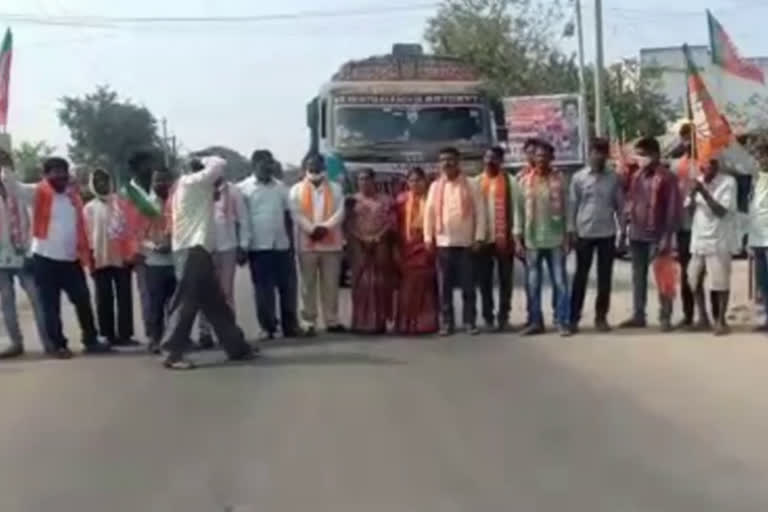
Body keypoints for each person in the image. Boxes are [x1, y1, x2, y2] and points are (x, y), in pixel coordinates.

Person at [2, 157, 111, 358]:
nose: (61, 176)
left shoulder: (72, 195)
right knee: (50, 306)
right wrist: (6, 167)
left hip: (71, 260)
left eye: (64, 171)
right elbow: (14, 187)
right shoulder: (37, 192)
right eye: (55, 172)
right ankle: (58, 345)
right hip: (45, 259)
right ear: (45, 175)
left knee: (83, 301)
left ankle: (91, 340)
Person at [161, 155, 255, 370]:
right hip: (193, 250)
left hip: (199, 250)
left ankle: (237, 347)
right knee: (186, 302)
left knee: (216, 303)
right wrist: (205, 158)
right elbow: (220, 163)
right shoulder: (190, 182)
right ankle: (172, 352)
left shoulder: (191, 187)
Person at [620, 137, 681, 332]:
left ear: (655, 154)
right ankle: (639, 315)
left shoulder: (667, 177)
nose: (639, 158)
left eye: (643, 154)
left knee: (664, 278)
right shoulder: (637, 175)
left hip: (658, 235)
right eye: (638, 154)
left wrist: (667, 237)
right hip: (637, 233)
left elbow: (673, 210)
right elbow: (631, 202)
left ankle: (665, 316)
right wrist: (625, 229)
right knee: (638, 276)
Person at [424, 147, 485, 336]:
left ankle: (469, 322)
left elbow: (480, 212)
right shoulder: (435, 186)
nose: (446, 163)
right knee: (445, 288)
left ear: (458, 161)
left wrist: (479, 237)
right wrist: (428, 237)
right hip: (443, 244)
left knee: (468, 286)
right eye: (443, 160)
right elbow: (429, 213)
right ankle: (447, 323)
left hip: (466, 243)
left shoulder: (471, 184)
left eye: (450, 159)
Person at [239, 150, 300, 340]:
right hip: (258, 247)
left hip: (282, 246)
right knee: (263, 291)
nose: (268, 167)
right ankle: (268, 327)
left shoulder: (281, 188)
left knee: (288, 288)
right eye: (264, 164)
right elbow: (241, 220)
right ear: (254, 165)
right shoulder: (242, 189)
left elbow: (288, 216)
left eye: (270, 163)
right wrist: (242, 247)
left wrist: (291, 244)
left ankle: (290, 326)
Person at [514, 140, 572, 336]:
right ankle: (535, 322)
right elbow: (518, 213)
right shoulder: (523, 181)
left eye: (545, 156)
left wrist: (568, 235)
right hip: (532, 241)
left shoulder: (560, 180)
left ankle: (561, 321)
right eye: (538, 156)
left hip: (555, 239)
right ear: (533, 158)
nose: (541, 160)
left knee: (560, 283)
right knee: (533, 284)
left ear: (551, 159)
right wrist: (517, 239)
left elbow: (568, 209)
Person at [0, 140, 52, 358]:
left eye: (5, 163)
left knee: (37, 300)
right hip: (2, 259)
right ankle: (16, 343)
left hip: (25, 255)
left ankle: (49, 342)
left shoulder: (24, 191)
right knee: (7, 304)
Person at [568, 138, 624, 332]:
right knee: (580, 277)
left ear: (606, 155)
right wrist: (571, 231)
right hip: (584, 233)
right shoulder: (578, 178)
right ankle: (573, 318)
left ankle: (601, 317)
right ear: (589, 153)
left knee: (604, 278)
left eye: (602, 153)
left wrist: (622, 232)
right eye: (595, 152)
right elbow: (573, 206)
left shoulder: (613, 178)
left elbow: (620, 207)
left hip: (607, 233)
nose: (599, 156)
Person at [289, 153, 346, 336]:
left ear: (324, 167)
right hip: (307, 244)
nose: (314, 169)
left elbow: (340, 212)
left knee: (331, 284)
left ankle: (332, 320)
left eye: (318, 165)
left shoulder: (336, 189)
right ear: (305, 167)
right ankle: (308, 321)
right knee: (308, 285)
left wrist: (324, 229)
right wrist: (312, 230)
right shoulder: (296, 190)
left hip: (331, 245)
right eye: (311, 166)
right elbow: (296, 214)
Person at [83, 169, 136, 347]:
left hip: (121, 258)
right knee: (103, 298)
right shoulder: (88, 208)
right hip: (100, 258)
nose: (102, 184)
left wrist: (130, 254)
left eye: (105, 180)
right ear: (92, 184)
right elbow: (86, 235)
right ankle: (107, 334)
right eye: (97, 181)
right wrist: (89, 259)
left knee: (124, 298)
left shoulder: (121, 204)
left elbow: (129, 231)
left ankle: (125, 335)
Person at [196, 176, 249, 349]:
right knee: (204, 292)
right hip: (205, 248)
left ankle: (228, 331)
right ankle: (205, 332)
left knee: (226, 292)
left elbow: (243, 219)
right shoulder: (199, 189)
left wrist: (243, 245)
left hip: (228, 247)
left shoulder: (233, 190)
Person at [687, 159, 737, 335]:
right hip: (698, 240)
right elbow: (689, 211)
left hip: (718, 241)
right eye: (703, 165)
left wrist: (704, 192)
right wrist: (692, 194)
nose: (705, 168)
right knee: (693, 280)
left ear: (716, 166)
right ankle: (703, 318)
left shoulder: (728, 182)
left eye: (709, 165)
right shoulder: (697, 180)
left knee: (720, 283)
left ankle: (721, 321)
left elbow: (721, 211)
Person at [345, 168, 395, 334]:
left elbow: (391, 222)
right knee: (361, 285)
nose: (364, 182)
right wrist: (362, 238)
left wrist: (377, 237)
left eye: (367, 179)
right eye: (360, 179)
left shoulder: (386, 200)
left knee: (380, 284)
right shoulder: (352, 201)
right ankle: (360, 322)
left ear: (374, 181)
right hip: (359, 248)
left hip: (380, 246)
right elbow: (348, 224)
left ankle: (379, 322)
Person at [473, 146, 517, 332]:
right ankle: (488, 317)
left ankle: (503, 316)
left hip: (504, 238)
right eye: (487, 158)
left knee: (506, 280)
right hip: (483, 240)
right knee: (484, 281)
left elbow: (517, 211)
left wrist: (516, 235)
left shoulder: (511, 182)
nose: (489, 161)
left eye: (494, 158)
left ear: (501, 161)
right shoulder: (475, 182)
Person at [394, 167, 439, 335]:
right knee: (407, 288)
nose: (415, 184)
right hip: (406, 247)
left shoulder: (431, 199)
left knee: (426, 287)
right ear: (407, 183)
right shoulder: (401, 200)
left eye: (418, 180)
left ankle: (425, 324)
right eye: (411, 180)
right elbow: (395, 226)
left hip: (427, 246)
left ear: (425, 181)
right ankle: (406, 324)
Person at [125, 150, 160, 340]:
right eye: (146, 165)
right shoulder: (126, 195)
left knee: (170, 297)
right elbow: (125, 227)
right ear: (134, 170)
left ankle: (174, 335)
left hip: (167, 250)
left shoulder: (161, 188)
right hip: (143, 253)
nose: (150, 169)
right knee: (149, 297)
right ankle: (154, 336)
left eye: (151, 164)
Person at [142, 168, 176, 354]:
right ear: (152, 183)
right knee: (156, 304)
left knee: (177, 305)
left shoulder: (178, 203)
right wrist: (155, 247)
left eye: (165, 180)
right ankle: (155, 339)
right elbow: (138, 235)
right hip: (154, 263)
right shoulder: (145, 205)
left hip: (176, 260)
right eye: (157, 181)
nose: (161, 184)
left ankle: (176, 338)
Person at [671, 123, 696, 328]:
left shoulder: (708, 163)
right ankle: (689, 315)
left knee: (707, 274)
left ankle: (711, 315)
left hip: (706, 228)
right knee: (686, 273)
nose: (688, 142)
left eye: (691, 137)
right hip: (684, 227)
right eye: (685, 138)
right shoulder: (677, 165)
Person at [749, 146, 768, 332]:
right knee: (762, 282)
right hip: (757, 237)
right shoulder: (756, 179)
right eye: (759, 157)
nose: (761, 160)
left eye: (763, 157)